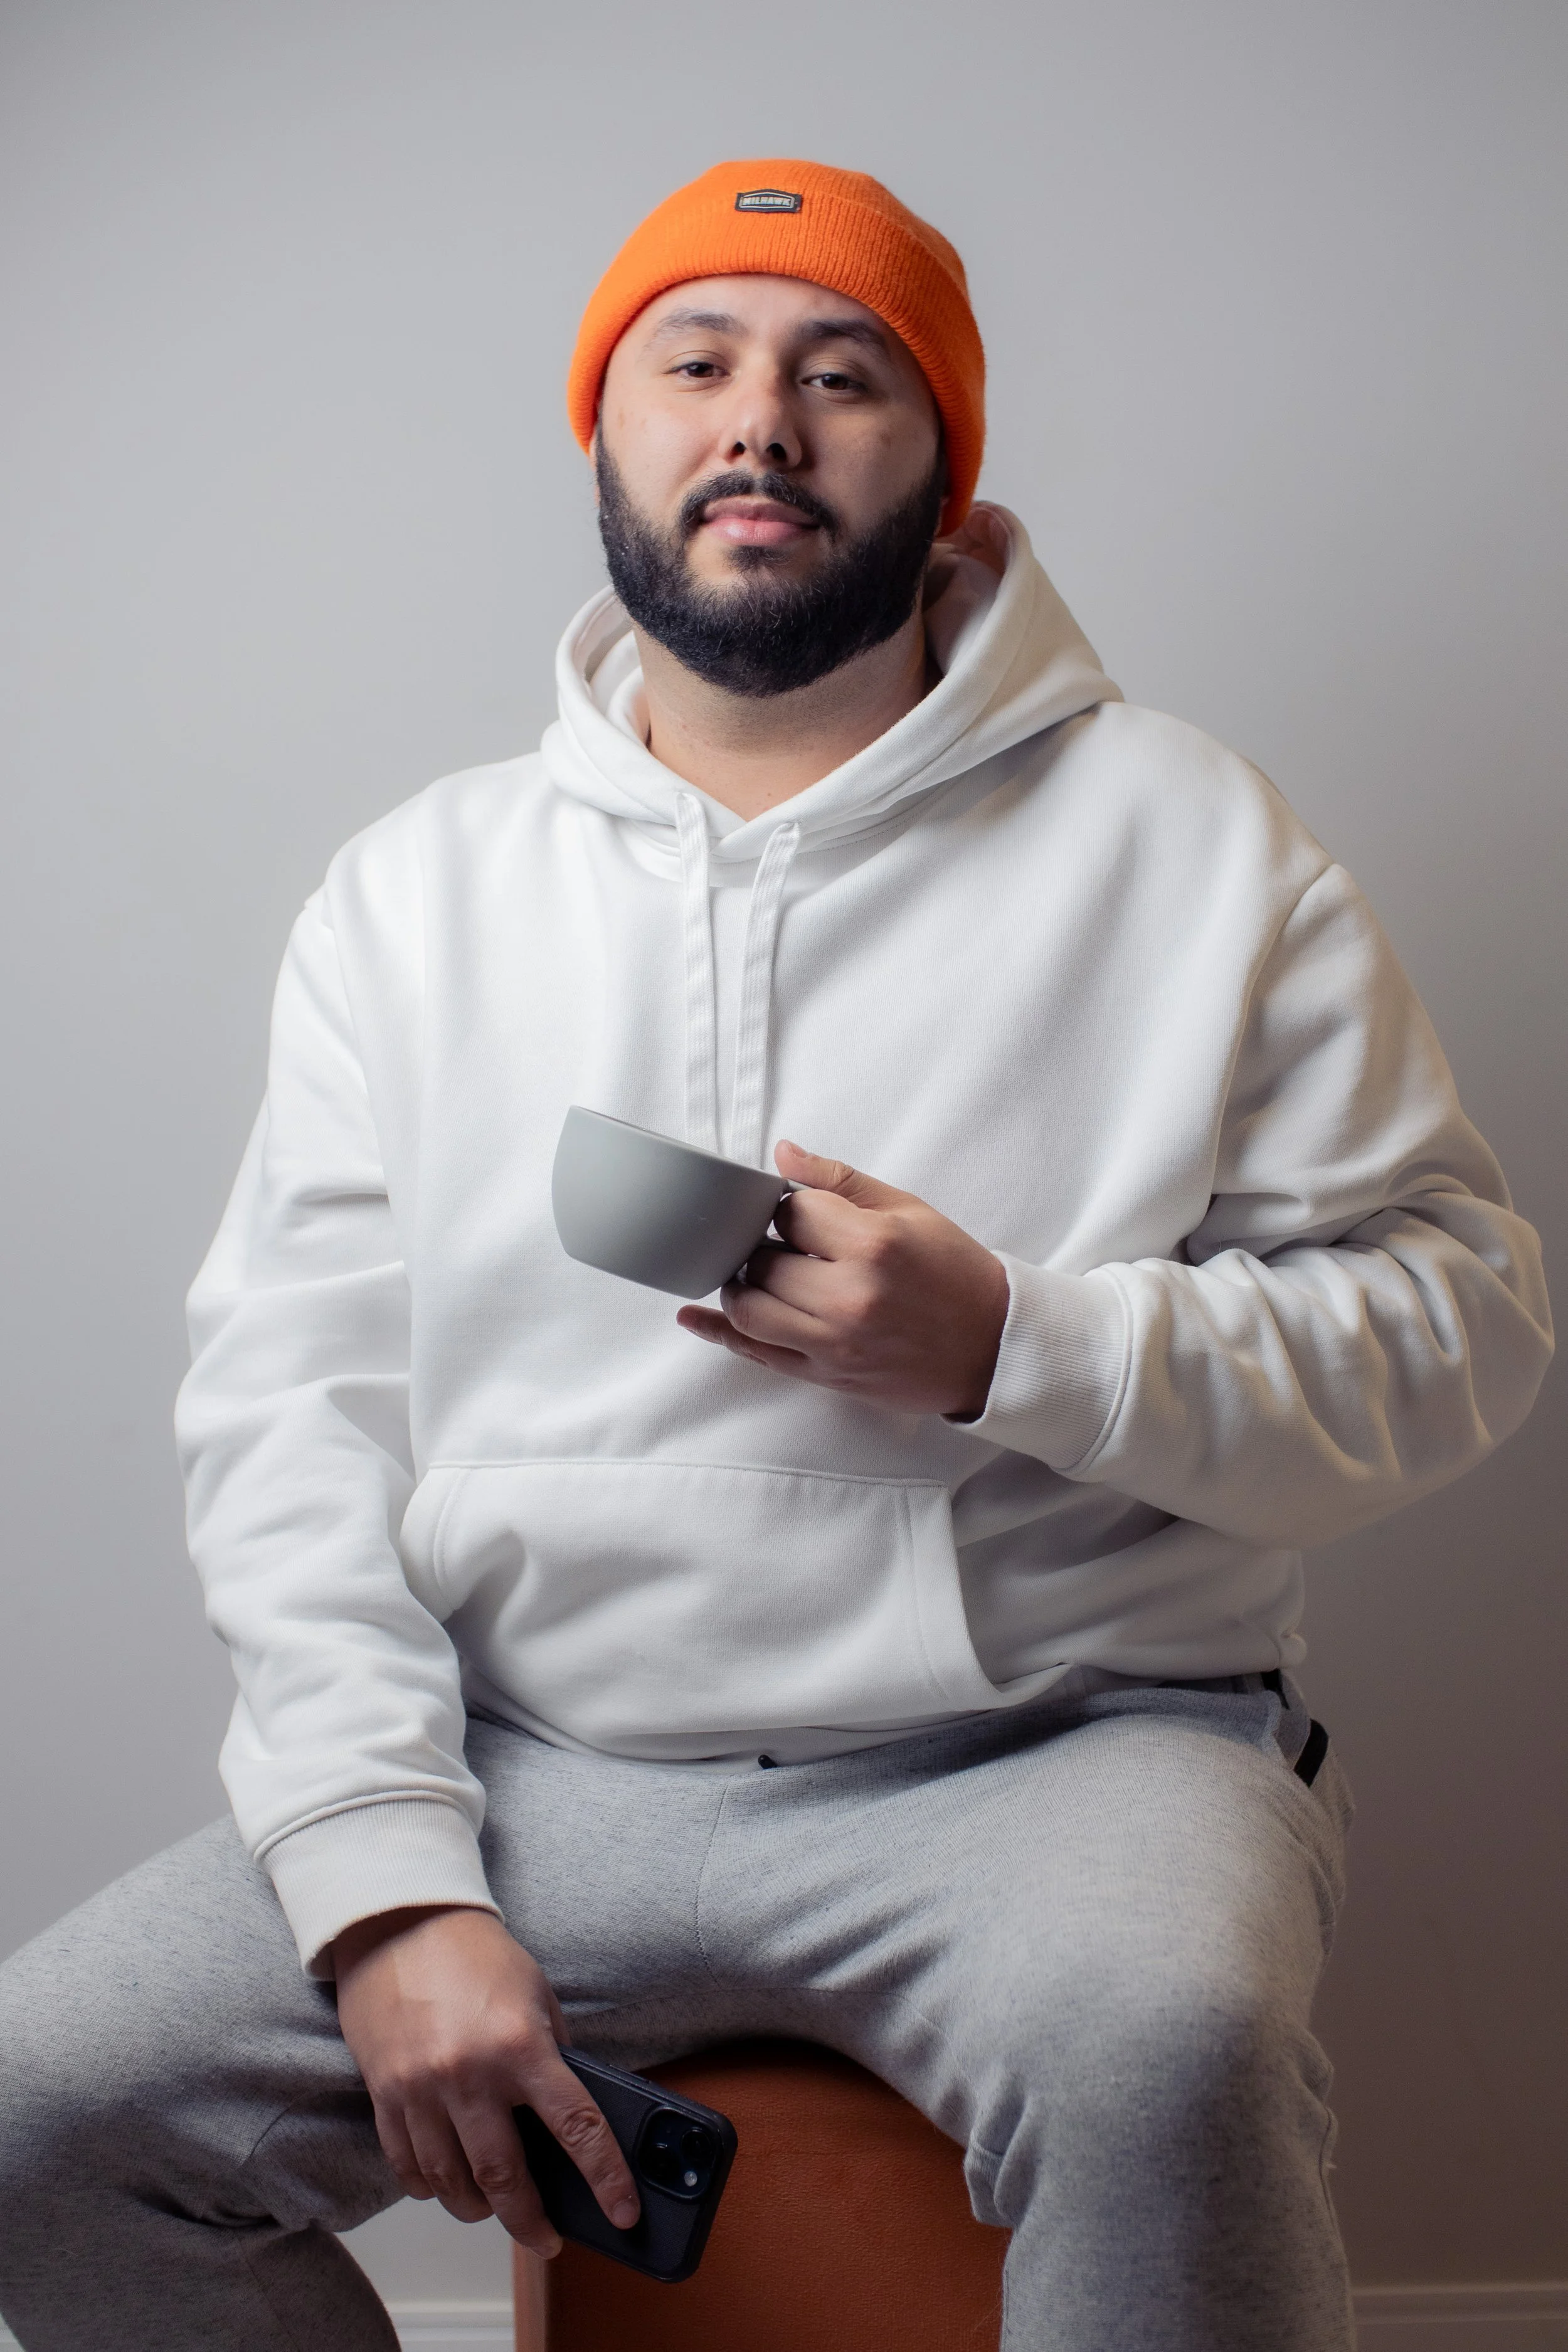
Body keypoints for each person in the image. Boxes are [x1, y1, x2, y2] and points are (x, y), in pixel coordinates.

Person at [0, 158, 1552, 2352]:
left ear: (943, 469)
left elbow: (1461, 1324)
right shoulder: (413, 893)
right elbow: (290, 1428)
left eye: (844, 375)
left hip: (1065, 1747)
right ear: (608, 435)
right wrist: (387, 1882)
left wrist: (1020, 1338)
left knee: (1167, 2041)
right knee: (31, 2112)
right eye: (693, 363)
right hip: (555, 1766)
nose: (759, 424)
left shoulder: (1192, 837)